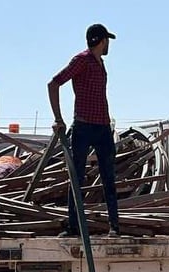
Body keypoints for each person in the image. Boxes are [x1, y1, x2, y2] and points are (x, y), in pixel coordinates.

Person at [48, 23, 121, 238]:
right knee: (77, 177)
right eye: (106, 40)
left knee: (109, 177)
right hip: (83, 126)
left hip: (103, 127)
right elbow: (54, 83)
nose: (108, 44)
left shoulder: (100, 63)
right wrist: (58, 118)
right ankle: (74, 227)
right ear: (101, 40)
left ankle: (114, 227)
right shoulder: (82, 60)